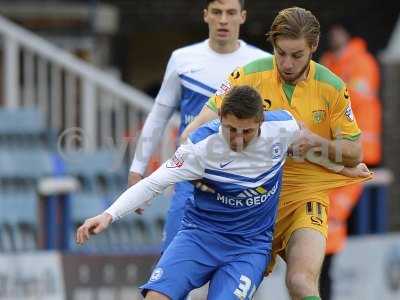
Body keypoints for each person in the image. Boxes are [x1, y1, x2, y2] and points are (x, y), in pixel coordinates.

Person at [77, 86, 370, 300]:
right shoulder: (199, 149)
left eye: (247, 131)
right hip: (199, 237)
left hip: (248, 247)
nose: (238, 139)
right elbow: (154, 182)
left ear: (261, 122)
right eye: (231, 130)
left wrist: (344, 171)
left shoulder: (283, 127)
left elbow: (308, 150)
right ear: (220, 118)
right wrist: (108, 215)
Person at [180, 7, 373, 300]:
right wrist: (188, 145)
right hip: (253, 196)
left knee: (300, 281)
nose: (287, 63)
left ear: (314, 47)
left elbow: (354, 152)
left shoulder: (332, 87)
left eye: (297, 55)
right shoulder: (248, 76)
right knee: (222, 289)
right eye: (281, 53)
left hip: (305, 196)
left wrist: (315, 143)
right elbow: (199, 125)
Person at [128, 0, 270, 251]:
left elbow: (275, 125)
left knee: (231, 266)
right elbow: (158, 116)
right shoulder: (182, 59)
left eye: (230, 13)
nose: (223, 19)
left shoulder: (262, 63)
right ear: (206, 16)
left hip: (241, 181)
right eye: (217, 12)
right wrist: (137, 169)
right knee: (171, 264)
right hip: (191, 175)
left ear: (243, 16)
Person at [319, 23, 383, 300]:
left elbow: (354, 98)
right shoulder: (326, 63)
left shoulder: (361, 61)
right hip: (333, 152)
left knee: (347, 218)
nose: (334, 36)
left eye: (337, 31)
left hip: (361, 152)